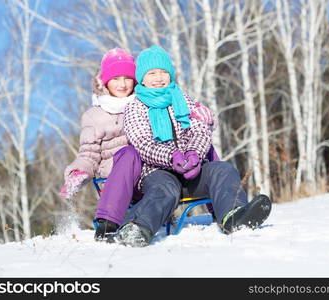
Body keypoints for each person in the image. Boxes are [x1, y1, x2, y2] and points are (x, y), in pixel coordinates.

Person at [107, 45, 272, 247]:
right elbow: (142, 143)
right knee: (165, 190)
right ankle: (137, 228)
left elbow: (200, 130)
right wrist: (172, 157)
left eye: (163, 72)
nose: (158, 78)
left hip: (193, 170)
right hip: (157, 172)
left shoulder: (183, 100)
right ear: (142, 78)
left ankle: (234, 216)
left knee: (223, 169)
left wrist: (194, 154)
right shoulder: (135, 107)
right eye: (152, 73)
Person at [59, 48, 216, 240]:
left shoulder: (149, 103)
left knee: (202, 144)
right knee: (130, 153)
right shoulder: (95, 116)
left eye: (127, 78)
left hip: (155, 173)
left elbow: (181, 129)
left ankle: (222, 205)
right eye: (116, 78)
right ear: (105, 81)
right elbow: (88, 154)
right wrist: (79, 171)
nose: (122, 84)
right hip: (120, 184)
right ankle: (108, 221)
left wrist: (201, 117)